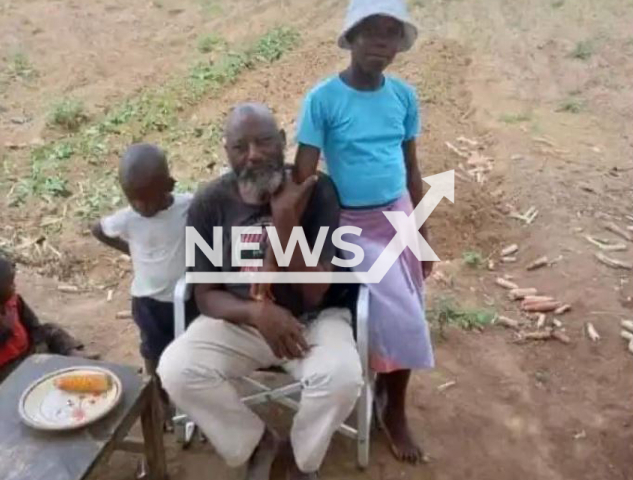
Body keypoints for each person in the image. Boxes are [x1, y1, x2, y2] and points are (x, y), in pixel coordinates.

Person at [158, 103, 363, 480]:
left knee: (342, 377)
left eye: (264, 142)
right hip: (240, 321)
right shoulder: (210, 202)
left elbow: (315, 292)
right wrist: (256, 313)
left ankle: (300, 460)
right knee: (175, 369)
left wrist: (285, 217)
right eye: (240, 146)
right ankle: (256, 443)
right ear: (227, 152)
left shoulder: (316, 190)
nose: (252, 154)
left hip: (313, 322)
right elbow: (205, 294)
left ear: (283, 142)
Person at [293, 0, 434, 464]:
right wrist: (306, 245)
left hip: (397, 216)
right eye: (370, 31)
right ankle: (390, 409)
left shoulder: (403, 97)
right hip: (350, 225)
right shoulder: (323, 100)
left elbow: (410, 168)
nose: (380, 41)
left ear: (399, 44)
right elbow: (304, 178)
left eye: (391, 32)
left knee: (405, 308)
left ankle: (389, 398)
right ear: (350, 38)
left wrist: (421, 231)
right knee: (400, 316)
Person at [92, 143, 196, 384]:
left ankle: (187, 389)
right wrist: (131, 252)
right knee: (153, 350)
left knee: (189, 347)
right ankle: (156, 395)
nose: (140, 207)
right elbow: (99, 229)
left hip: (186, 298)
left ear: (168, 186)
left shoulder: (187, 206)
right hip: (148, 303)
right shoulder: (129, 218)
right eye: (132, 200)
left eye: (146, 200)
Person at [0, 255, 95, 382]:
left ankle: (73, 353)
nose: (15, 286)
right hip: (7, 368)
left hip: (29, 350)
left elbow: (33, 326)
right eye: (10, 284)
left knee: (51, 329)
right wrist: (6, 328)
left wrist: (39, 346)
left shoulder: (15, 301)